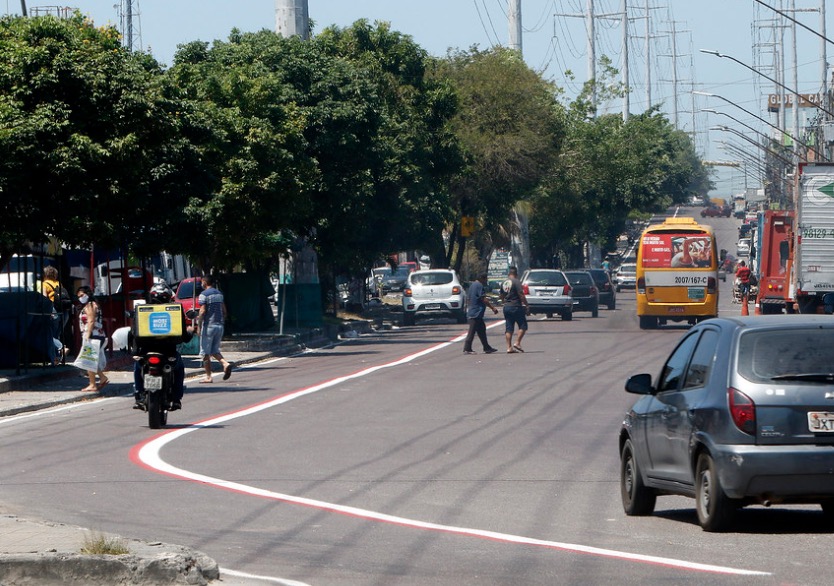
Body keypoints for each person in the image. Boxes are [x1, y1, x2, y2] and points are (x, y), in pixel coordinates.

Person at [131, 283, 193, 411]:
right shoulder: (174, 311)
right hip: (168, 352)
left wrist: (135, 351)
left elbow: (134, 334)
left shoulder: (142, 311)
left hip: (146, 351)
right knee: (179, 368)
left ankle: (138, 396)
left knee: (137, 367)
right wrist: (190, 331)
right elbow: (184, 337)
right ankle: (176, 399)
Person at [196, 274, 232, 383]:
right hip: (219, 325)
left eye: (202, 282)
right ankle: (225, 364)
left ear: (204, 282)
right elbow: (224, 310)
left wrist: (199, 325)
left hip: (209, 326)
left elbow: (202, 311)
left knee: (205, 353)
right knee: (214, 350)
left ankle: (208, 376)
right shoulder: (219, 294)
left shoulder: (203, 295)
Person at [76, 285, 108, 392]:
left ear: (88, 294)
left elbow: (91, 321)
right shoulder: (92, 304)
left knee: (88, 360)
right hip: (96, 334)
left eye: (82, 295)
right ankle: (102, 378)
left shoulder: (90, 305)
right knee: (91, 360)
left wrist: (87, 335)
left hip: (93, 335)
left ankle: (93, 384)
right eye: (78, 296)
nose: (80, 297)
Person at [463, 273, 499, 355]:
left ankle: (486, 347)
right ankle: (467, 348)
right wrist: (492, 308)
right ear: (482, 278)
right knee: (471, 331)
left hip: (474, 312)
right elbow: (484, 299)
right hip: (476, 313)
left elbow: (469, 298)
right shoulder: (479, 285)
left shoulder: (472, 285)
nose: (486, 281)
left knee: (482, 329)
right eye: (485, 279)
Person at [499, 266, 529, 354]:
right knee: (523, 326)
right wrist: (526, 304)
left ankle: (509, 347)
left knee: (509, 327)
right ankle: (517, 343)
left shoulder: (504, 282)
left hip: (507, 307)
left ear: (509, 274)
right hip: (516, 306)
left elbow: (501, 296)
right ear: (516, 274)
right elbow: (521, 294)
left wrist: (504, 301)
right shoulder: (516, 281)